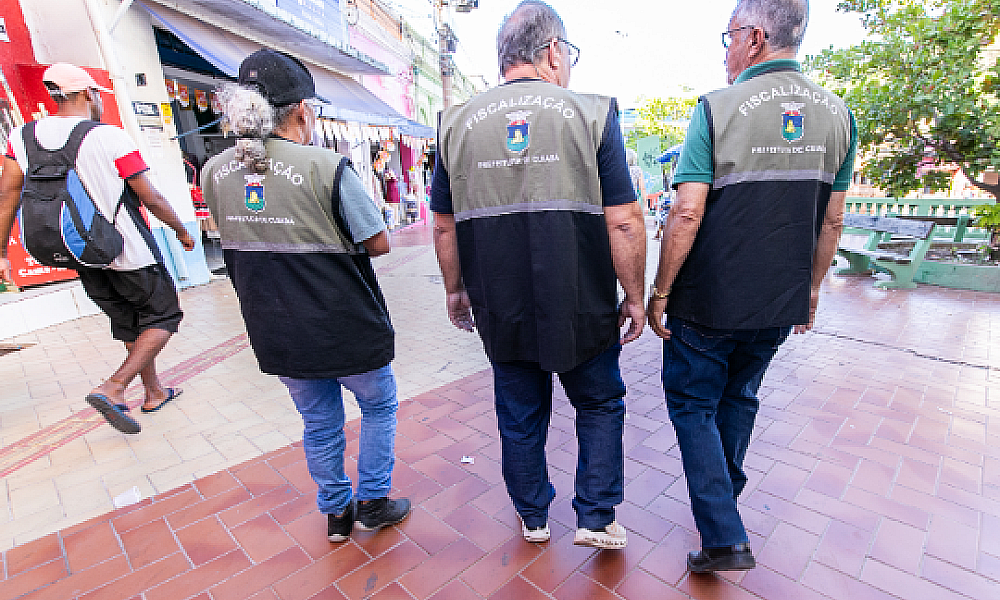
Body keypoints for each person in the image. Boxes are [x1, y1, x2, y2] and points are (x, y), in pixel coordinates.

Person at [646, 0, 857, 573]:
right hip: (777, 304)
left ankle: (724, 535)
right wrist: (810, 294)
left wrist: (660, 292)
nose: (725, 49)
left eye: (728, 36)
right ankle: (725, 514)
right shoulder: (839, 115)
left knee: (692, 405)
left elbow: (686, 212)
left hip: (706, 305)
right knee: (738, 399)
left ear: (754, 36)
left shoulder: (717, 107)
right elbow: (831, 221)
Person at [432, 0, 647, 550]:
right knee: (599, 403)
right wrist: (635, 295)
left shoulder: (454, 125)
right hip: (582, 302)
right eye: (568, 53)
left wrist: (455, 290)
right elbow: (623, 222)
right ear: (553, 52)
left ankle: (533, 516)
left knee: (519, 411)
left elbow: (444, 228)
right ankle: (596, 515)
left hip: (500, 304)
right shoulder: (593, 114)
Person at [200, 49, 410, 543]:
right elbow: (377, 240)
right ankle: (374, 502)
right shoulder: (325, 166)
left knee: (319, 422)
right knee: (378, 407)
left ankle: (336, 515)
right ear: (301, 111)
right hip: (344, 322)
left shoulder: (213, 171)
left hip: (274, 325)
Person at [0, 63, 195, 434]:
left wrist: (1, 254)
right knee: (164, 316)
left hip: (82, 254)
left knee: (128, 322)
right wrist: (181, 231)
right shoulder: (108, 136)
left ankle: (153, 392)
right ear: (88, 94)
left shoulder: (22, 137)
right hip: (128, 250)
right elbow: (149, 196)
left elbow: (8, 195)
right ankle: (115, 387)